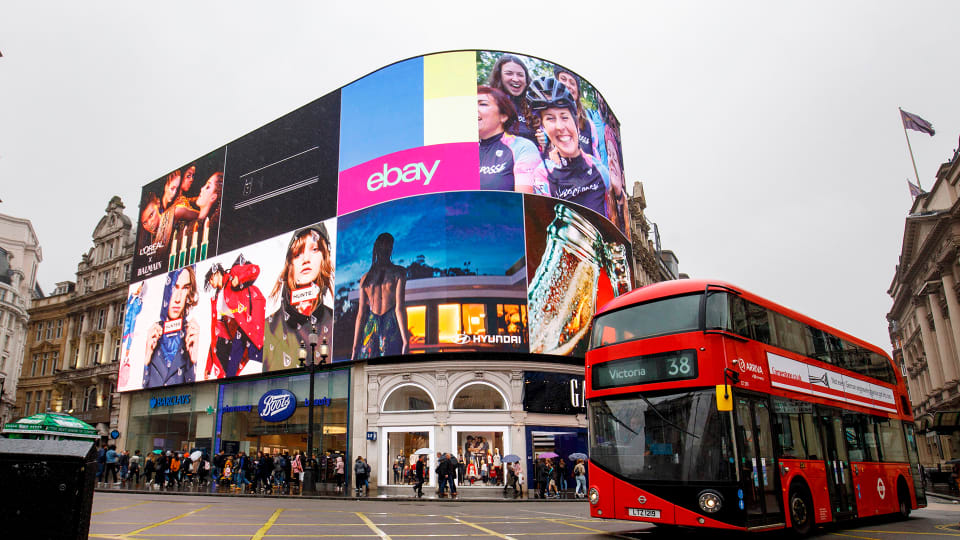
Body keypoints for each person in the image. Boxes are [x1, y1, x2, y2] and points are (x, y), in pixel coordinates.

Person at [527, 77, 612, 218]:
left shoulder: (599, 168)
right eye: (550, 119)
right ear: (544, 128)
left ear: (576, 123)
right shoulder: (542, 175)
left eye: (564, 117)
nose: (560, 127)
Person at [265, 225, 334, 370]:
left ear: (324, 257)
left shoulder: (334, 323)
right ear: (290, 264)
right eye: (297, 254)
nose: (305, 259)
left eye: (314, 249)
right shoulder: (269, 327)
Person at [205, 254, 266, 378]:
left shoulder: (233, 273)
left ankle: (277, 359)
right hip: (237, 330)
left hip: (250, 318)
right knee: (232, 366)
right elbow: (214, 335)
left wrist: (239, 279)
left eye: (211, 279)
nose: (210, 283)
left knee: (255, 352)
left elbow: (255, 269)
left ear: (216, 273)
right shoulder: (216, 299)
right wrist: (208, 367)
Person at [352, 233, 409, 359]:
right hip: (384, 324)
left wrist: (355, 348)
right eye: (386, 247)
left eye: (388, 247)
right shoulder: (398, 273)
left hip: (378, 324)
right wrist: (406, 340)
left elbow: (361, 314)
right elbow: (399, 309)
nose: (387, 250)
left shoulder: (367, 278)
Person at [143, 267, 200, 387]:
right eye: (174, 287)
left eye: (185, 288)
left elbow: (196, 393)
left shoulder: (192, 335)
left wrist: (193, 362)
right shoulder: (152, 335)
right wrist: (146, 358)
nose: (178, 299)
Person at [477, 86, 540, 193]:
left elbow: (526, 201)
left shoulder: (522, 147)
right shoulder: (462, 151)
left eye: (483, 104)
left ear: (503, 116)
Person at [552, 67, 602, 162]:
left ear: (578, 93)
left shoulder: (588, 125)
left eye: (572, 83)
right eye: (563, 79)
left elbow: (596, 158)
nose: (567, 85)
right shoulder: (544, 119)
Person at [486, 54, 538, 145]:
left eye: (520, 75)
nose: (516, 79)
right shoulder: (488, 104)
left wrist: (545, 142)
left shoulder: (534, 105)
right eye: (509, 73)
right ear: (499, 77)